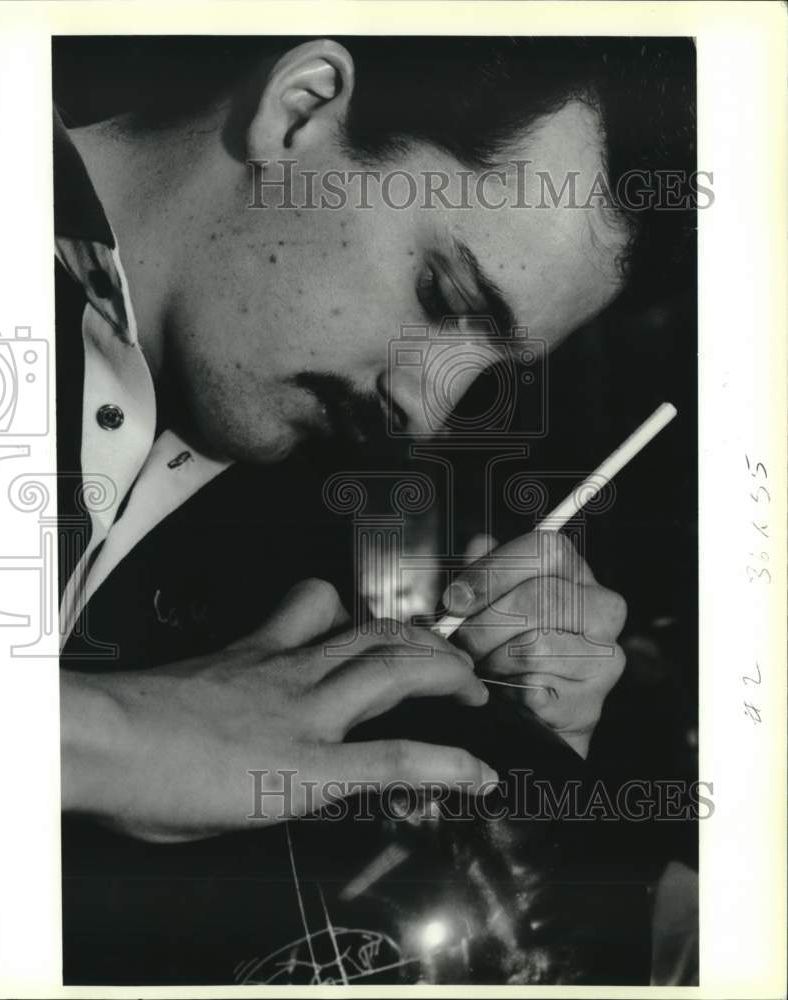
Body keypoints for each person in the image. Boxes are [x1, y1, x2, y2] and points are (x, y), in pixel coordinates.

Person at [55, 36, 696, 845]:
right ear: (299, 111)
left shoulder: (329, 543)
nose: (424, 414)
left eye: (483, 372)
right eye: (440, 295)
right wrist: (105, 739)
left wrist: (502, 749)